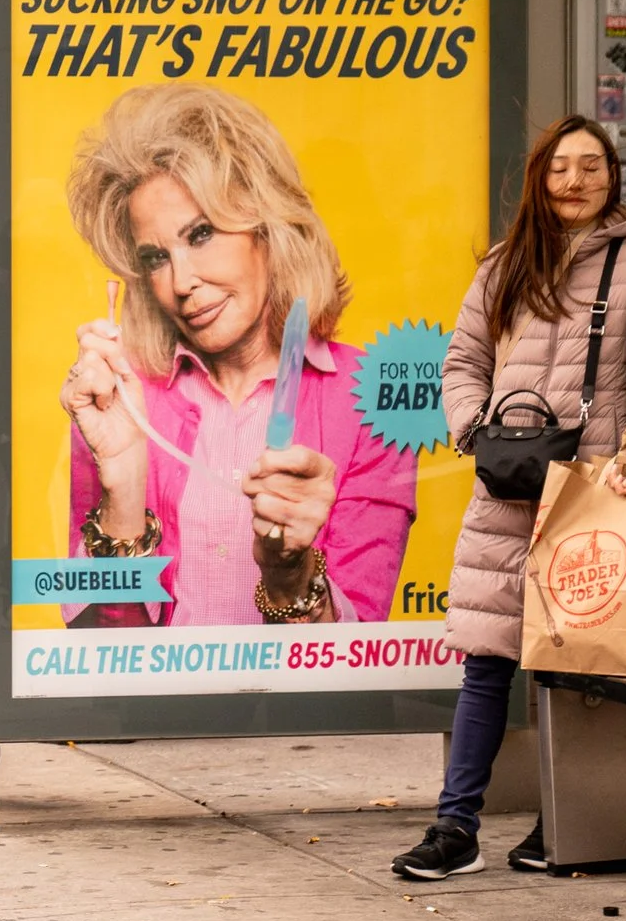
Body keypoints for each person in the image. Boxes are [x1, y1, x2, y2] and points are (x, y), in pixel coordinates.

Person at [393, 114, 626, 881]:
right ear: (539, 178)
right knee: (487, 660)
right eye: (560, 168)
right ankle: (455, 828)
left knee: (579, 665)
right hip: (508, 484)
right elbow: (463, 362)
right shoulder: (504, 264)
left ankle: (568, 825)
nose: (575, 182)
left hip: (595, 490)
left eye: (592, 167)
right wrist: (473, 429)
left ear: (612, 178)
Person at [58, 85, 415, 627]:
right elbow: (94, 640)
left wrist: (289, 573)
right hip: (159, 712)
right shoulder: (122, 400)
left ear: (267, 227)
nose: (181, 282)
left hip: (301, 714)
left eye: (201, 234)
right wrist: (124, 490)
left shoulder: (369, 401)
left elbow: (357, 653)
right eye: (157, 257)